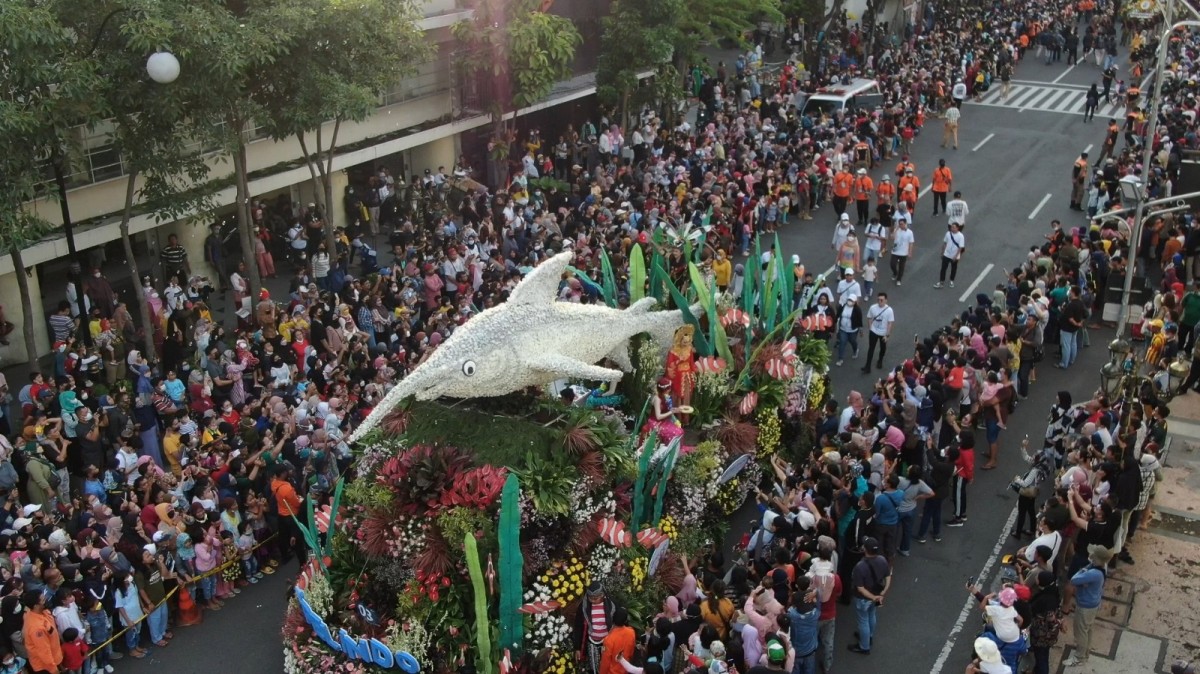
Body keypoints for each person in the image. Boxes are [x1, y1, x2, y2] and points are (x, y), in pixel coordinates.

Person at [1065, 545, 1113, 668]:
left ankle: (1079, 657)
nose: (1091, 556)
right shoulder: (1101, 568)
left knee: (1080, 632)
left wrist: (1083, 570)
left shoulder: (1093, 573)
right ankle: (1086, 652)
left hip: (1085, 606)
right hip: (1094, 603)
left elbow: (1074, 579)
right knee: (1088, 629)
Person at [849, 537, 890, 654]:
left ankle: (864, 646)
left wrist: (873, 597)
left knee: (863, 621)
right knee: (872, 615)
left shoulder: (860, 566)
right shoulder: (882, 560)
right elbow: (888, 577)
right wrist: (882, 593)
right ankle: (869, 636)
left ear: (865, 549)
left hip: (863, 599)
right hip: (876, 594)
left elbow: (860, 588)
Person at [576, 582, 616, 674]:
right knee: (594, 667)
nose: (593, 601)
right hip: (592, 642)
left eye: (595, 598)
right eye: (590, 598)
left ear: (602, 595)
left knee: (608, 665)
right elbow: (578, 626)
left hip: (607, 642)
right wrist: (577, 647)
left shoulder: (611, 605)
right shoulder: (584, 607)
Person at [21, 590, 62, 674]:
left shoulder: (41, 612)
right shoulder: (37, 628)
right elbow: (44, 651)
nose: (46, 600)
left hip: (54, 657)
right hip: (45, 667)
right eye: (43, 600)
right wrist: (53, 669)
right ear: (36, 606)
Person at [861, 293, 894, 374]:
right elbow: (869, 317)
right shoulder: (873, 307)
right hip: (874, 331)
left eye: (882, 300)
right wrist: (870, 328)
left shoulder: (889, 310)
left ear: (886, 300)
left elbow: (890, 323)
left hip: (883, 333)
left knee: (883, 348)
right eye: (878, 299)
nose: (879, 301)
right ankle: (867, 366)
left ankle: (880, 360)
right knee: (871, 348)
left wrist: (887, 335)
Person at [599, 607, 635, 674]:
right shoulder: (631, 632)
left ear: (613, 618)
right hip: (625, 669)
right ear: (625, 620)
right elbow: (631, 653)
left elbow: (605, 661)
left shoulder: (609, 639)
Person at [934, 223, 966, 289]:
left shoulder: (961, 236)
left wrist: (956, 256)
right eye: (952, 227)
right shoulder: (948, 234)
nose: (952, 228)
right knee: (943, 268)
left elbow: (960, 247)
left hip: (954, 255)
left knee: (953, 268)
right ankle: (941, 281)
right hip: (946, 254)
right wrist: (942, 252)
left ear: (957, 228)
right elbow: (945, 243)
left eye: (954, 227)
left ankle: (951, 280)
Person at [835, 295, 862, 366]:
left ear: (855, 302)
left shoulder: (857, 309)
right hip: (843, 329)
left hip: (852, 330)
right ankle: (840, 359)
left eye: (852, 300)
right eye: (849, 300)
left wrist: (861, 330)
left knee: (852, 341)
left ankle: (855, 350)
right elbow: (838, 315)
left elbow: (859, 320)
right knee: (842, 342)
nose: (850, 302)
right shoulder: (843, 307)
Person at [890, 217, 915, 285]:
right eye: (899, 224)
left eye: (901, 224)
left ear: (905, 223)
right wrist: (895, 229)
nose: (900, 225)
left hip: (904, 253)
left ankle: (899, 279)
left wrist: (910, 253)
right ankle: (895, 273)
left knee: (901, 266)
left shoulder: (910, 232)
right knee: (892, 264)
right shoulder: (897, 230)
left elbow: (911, 243)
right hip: (895, 251)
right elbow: (892, 238)